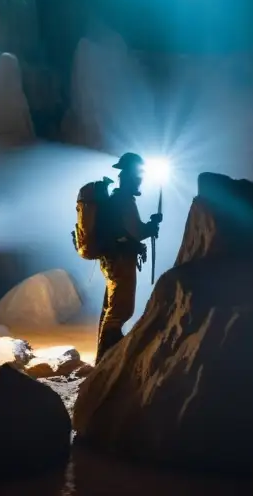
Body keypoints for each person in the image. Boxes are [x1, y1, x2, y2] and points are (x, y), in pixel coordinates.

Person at [96, 152, 161, 364]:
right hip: (120, 260)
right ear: (132, 175)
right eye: (139, 175)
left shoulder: (118, 198)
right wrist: (151, 227)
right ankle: (109, 357)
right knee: (120, 310)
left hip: (114, 259)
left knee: (113, 308)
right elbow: (135, 231)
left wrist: (148, 226)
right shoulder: (124, 200)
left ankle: (104, 357)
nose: (140, 180)